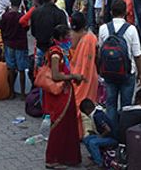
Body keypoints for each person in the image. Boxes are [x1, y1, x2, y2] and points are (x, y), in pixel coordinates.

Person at [43, 24, 84, 168]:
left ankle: (66, 156)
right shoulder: (56, 53)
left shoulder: (63, 51)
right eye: (67, 36)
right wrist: (73, 76)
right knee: (59, 125)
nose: (70, 38)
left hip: (66, 91)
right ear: (61, 38)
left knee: (68, 124)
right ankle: (53, 159)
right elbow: (55, 75)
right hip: (59, 94)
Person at [98, 0, 141, 124]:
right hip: (127, 72)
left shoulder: (103, 28)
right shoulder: (131, 29)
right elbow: (137, 54)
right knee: (126, 105)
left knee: (110, 104)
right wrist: (140, 73)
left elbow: (100, 51)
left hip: (108, 72)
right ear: (126, 12)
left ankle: (112, 131)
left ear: (111, 12)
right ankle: (124, 133)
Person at [69, 12, 98, 137]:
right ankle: (84, 132)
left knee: (76, 103)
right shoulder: (91, 38)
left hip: (75, 74)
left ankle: (77, 131)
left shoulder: (71, 36)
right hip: (89, 76)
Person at [0, 0, 28, 98]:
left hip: (9, 43)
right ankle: (22, 93)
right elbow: (26, 29)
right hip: (20, 44)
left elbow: (2, 28)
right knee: (21, 69)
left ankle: (11, 92)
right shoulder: (22, 17)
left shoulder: (5, 16)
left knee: (11, 68)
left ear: (10, 3)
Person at [80, 99, 117, 168]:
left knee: (92, 142)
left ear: (87, 110)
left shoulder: (97, 116)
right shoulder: (96, 113)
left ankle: (99, 163)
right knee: (86, 139)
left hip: (112, 138)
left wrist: (100, 136)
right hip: (106, 136)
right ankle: (95, 157)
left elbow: (108, 129)